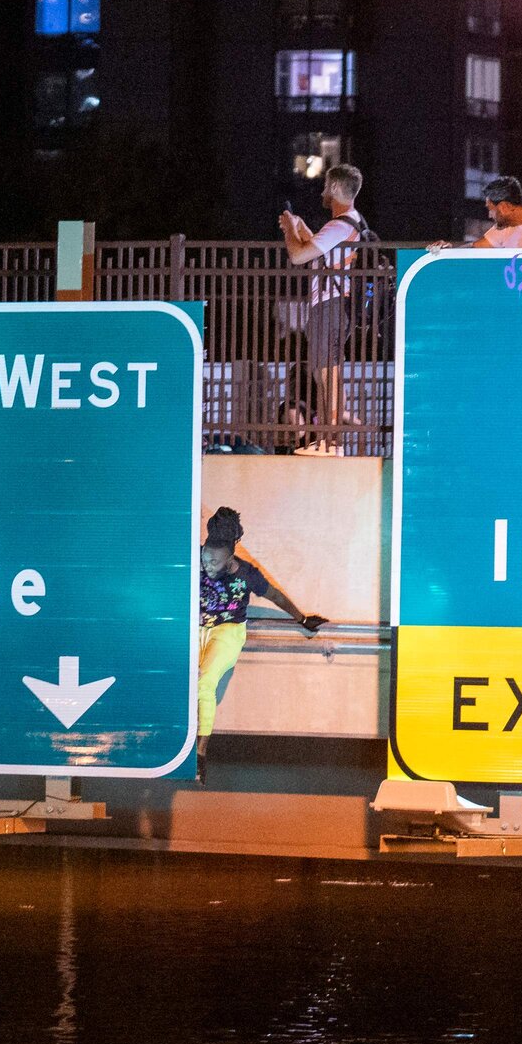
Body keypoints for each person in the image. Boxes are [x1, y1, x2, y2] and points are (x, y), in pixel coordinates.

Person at [197, 506, 326, 778]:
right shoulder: (195, 557)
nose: (208, 567)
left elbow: (275, 596)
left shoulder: (246, 574)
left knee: (204, 684)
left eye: (214, 563)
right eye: (206, 560)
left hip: (228, 630)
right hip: (196, 628)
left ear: (231, 557)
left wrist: (301, 619)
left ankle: (200, 752)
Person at [278, 164, 369, 454]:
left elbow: (298, 255)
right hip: (338, 306)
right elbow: (319, 250)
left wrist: (290, 230)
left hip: (329, 306)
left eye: (325, 186)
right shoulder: (352, 223)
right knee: (330, 369)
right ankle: (331, 437)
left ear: (333, 189)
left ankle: (330, 441)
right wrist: (303, 229)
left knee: (325, 372)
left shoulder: (340, 225)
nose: (322, 192)